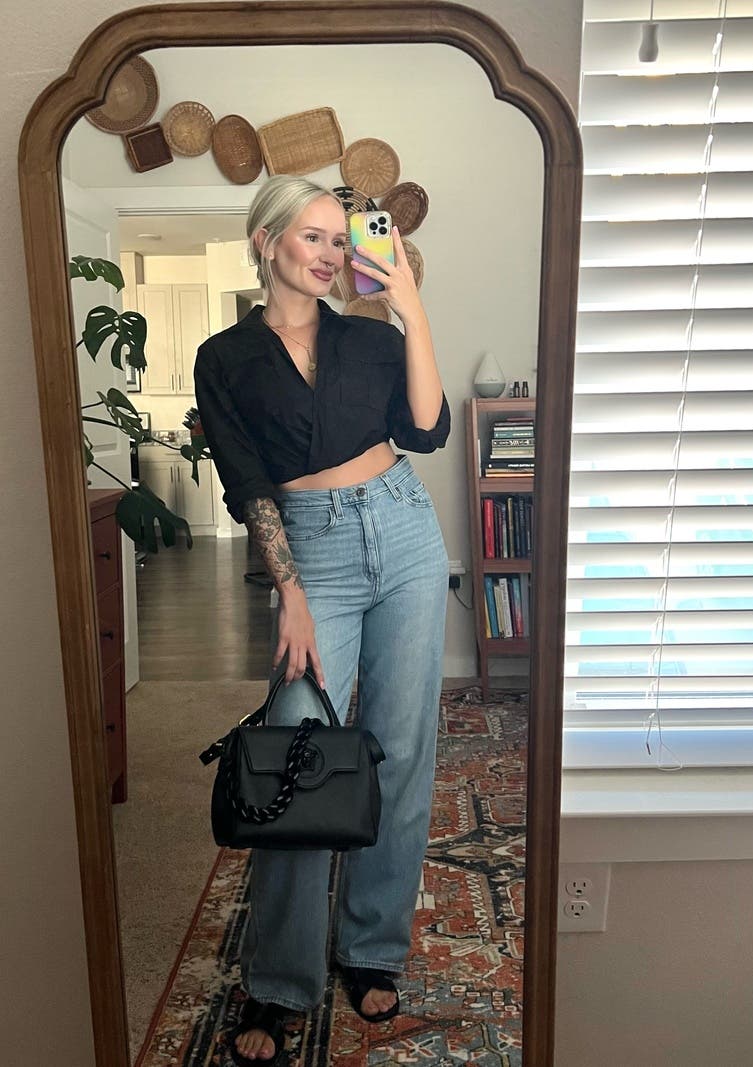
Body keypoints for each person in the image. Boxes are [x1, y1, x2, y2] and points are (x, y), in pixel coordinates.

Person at [194, 174, 450, 1065]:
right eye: (313, 236)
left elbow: (427, 427)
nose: (331, 254)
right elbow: (247, 481)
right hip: (312, 549)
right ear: (265, 241)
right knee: (300, 755)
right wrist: (291, 593)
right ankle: (279, 979)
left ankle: (373, 944)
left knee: (403, 748)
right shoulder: (224, 358)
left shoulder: (371, 339)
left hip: (404, 529)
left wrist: (408, 303)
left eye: (340, 241)